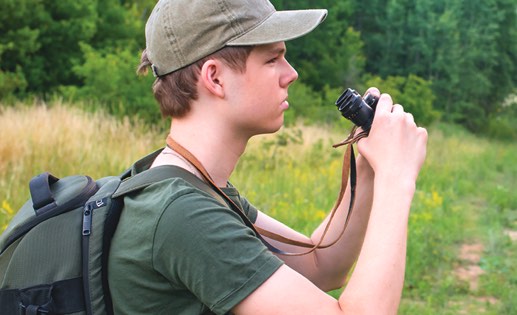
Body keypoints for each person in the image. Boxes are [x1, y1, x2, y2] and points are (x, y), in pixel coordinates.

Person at [107, 0, 428, 314]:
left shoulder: (195, 186)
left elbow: (321, 266)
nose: (292, 74)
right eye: (273, 59)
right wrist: (396, 177)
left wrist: (370, 167)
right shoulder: (182, 214)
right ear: (215, 78)